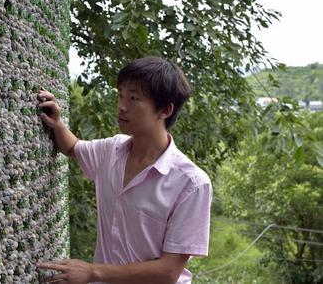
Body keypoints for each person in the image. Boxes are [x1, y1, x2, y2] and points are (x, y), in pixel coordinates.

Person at [36, 57, 212, 284]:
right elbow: (72, 147)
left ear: (166, 110)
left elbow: (168, 272)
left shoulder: (191, 183)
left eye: (134, 98)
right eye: (120, 95)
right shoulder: (111, 150)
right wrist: (57, 123)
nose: (121, 106)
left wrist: (92, 272)